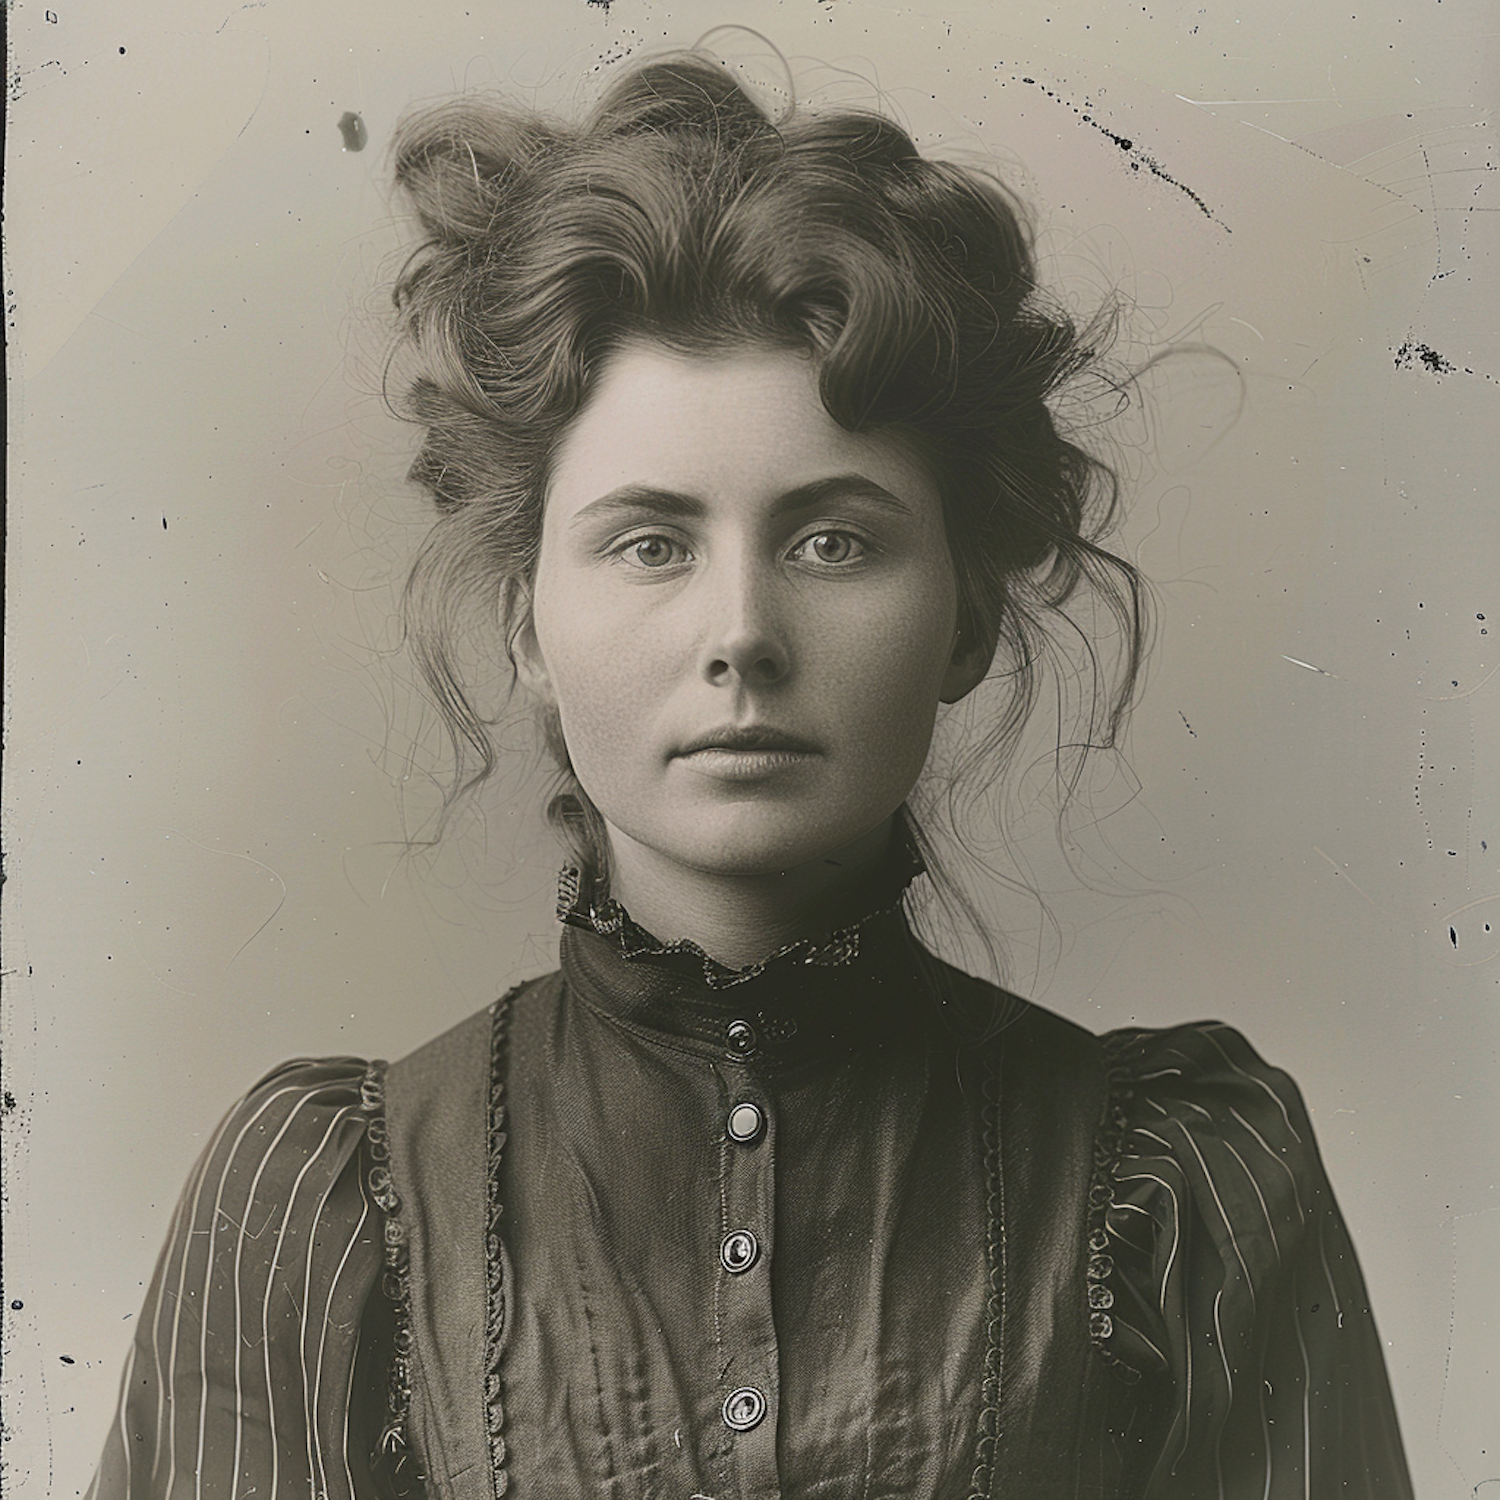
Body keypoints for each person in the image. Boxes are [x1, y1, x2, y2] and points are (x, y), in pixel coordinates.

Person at [88, 51, 1412, 1500]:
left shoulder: (1192, 1187)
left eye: (833, 541)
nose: (741, 634)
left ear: (967, 617)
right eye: (651, 543)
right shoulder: (312, 1206)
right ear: (528, 626)